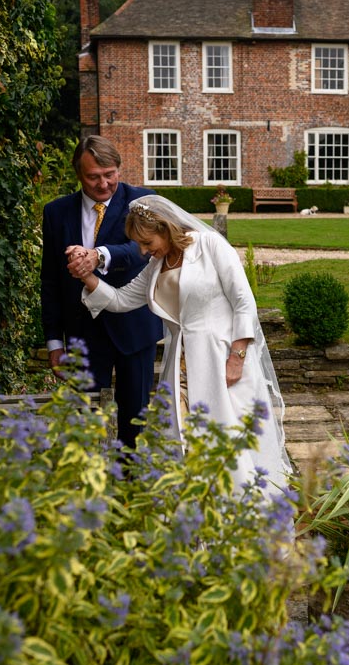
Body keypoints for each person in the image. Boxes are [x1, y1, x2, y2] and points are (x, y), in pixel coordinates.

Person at [63, 195, 290, 496]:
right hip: (179, 366)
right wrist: (87, 276)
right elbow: (119, 300)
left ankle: (241, 514)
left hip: (221, 359)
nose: (143, 252)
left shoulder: (209, 245)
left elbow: (243, 301)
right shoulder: (156, 266)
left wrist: (237, 357)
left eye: (146, 242)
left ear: (165, 227)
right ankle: (195, 522)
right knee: (185, 439)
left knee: (227, 438)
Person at [41, 136, 163, 449]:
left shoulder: (143, 201)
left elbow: (140, 250)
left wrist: (99, 255)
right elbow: (51, 281)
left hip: (134, 328)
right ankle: (87, 486)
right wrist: (55, 341)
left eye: (110, 174)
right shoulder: (56, 213)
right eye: (93, 177)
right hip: (83, 332)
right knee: (83, 418)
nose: (103, 184)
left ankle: (128, 485)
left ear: (119, 169)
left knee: (135, 418)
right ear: (78, 174)